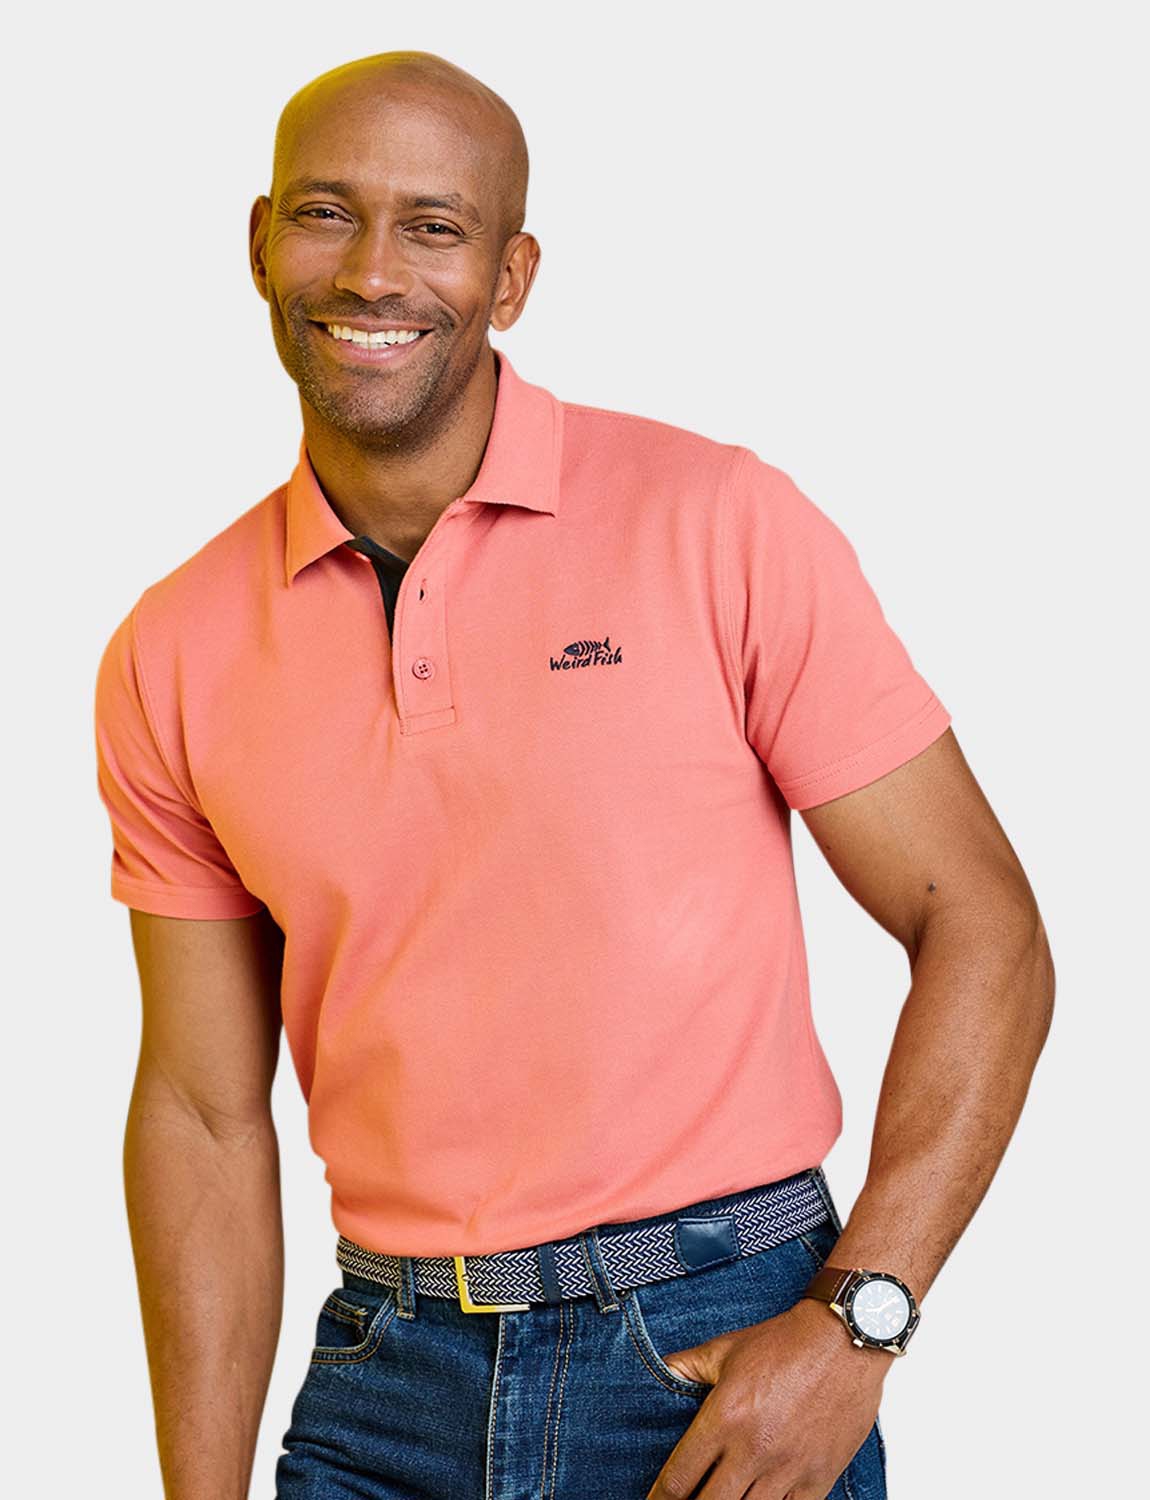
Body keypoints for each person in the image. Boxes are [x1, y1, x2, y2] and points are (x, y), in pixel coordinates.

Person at [93, 48, 1055, 1500]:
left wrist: (858, 1325)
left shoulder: (716, 522)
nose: (371, 271)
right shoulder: (172, 647)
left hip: (713, 1358)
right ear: (259, 242)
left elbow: (978, 922)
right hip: (380, 1396)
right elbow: (202, 1111)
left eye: (433, 226)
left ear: (511, 276)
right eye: (326, 213)